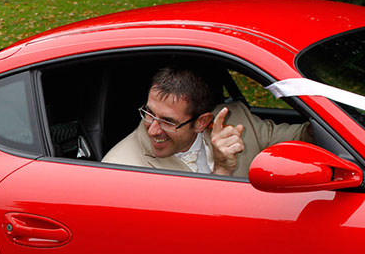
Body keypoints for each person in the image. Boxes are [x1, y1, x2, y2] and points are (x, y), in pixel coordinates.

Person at [101, 66, 311, 176]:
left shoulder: (237, 119)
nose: (153, 130)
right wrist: (222, 170)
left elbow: (306, 136)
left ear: (202, 122)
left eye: (168, 121)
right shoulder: (120, 168)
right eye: (149, 113)